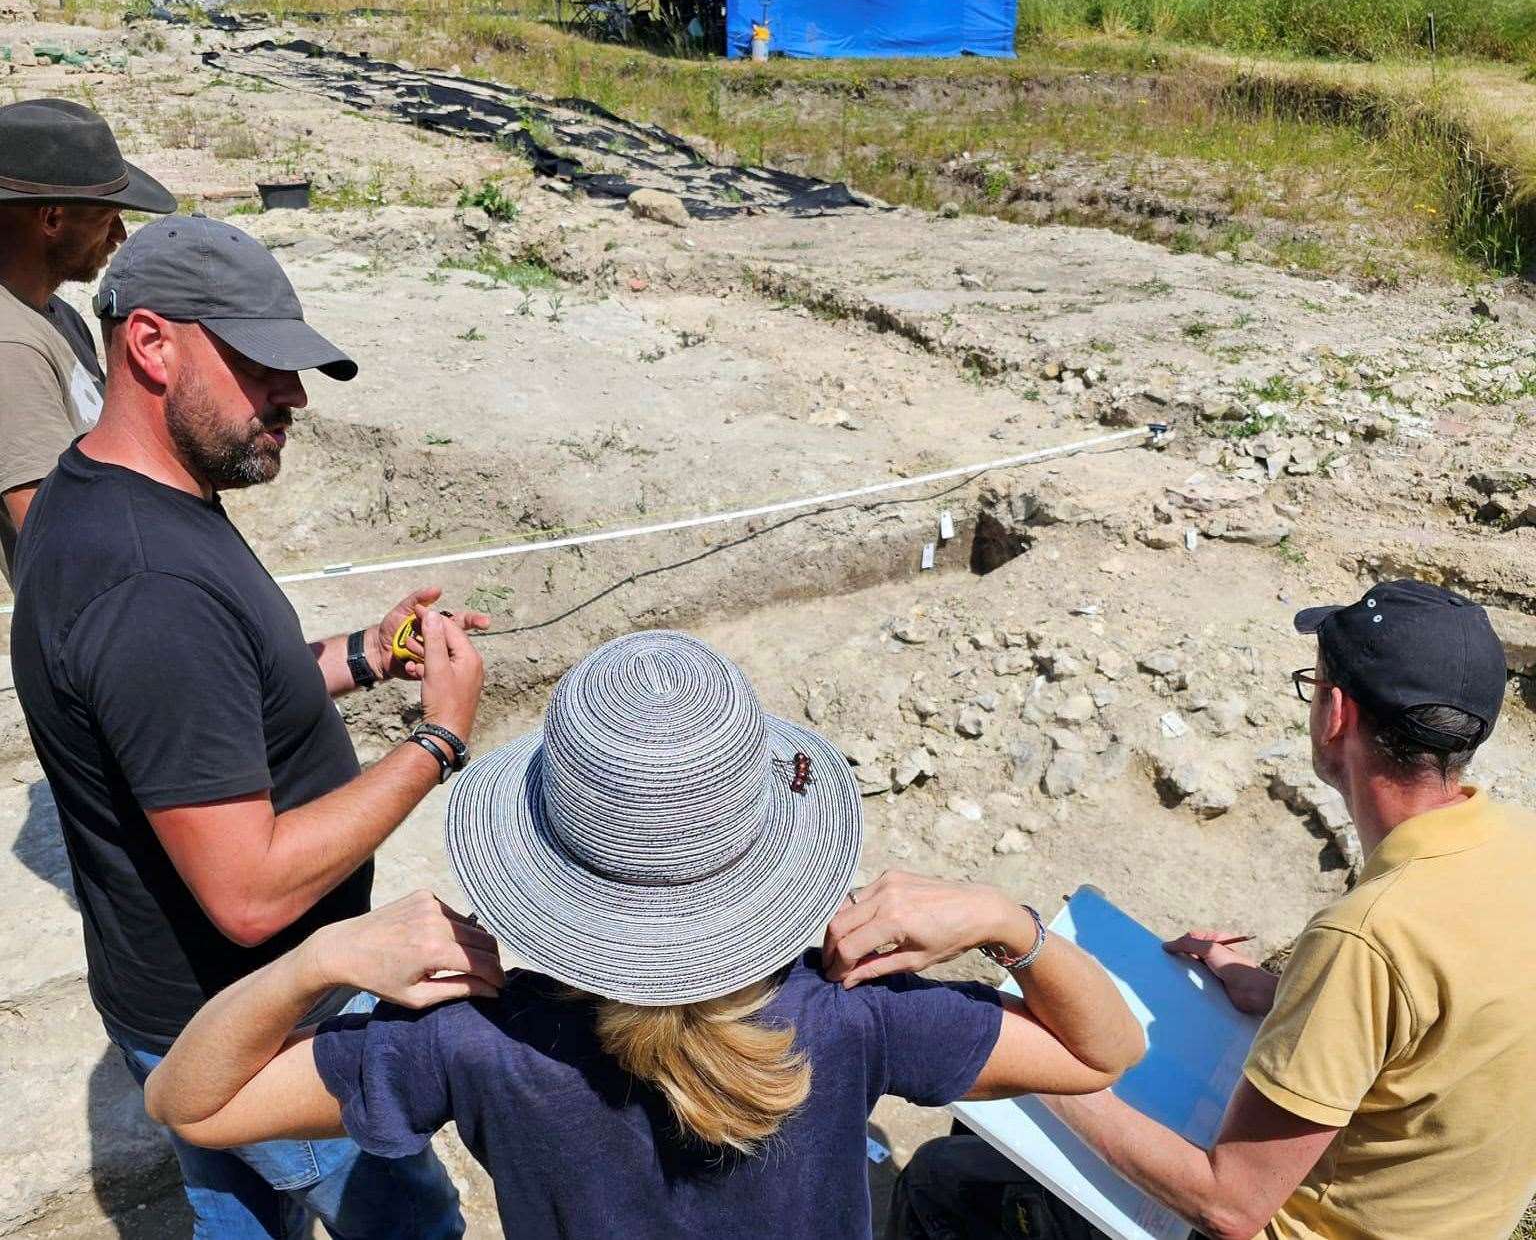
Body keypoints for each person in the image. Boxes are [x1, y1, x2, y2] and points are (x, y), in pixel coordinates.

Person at [140, 629, 1147, 1239]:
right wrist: (1004, 923)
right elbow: (1108, 1048)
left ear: (550, 855)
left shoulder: (479, 1041)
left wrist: (322, 956)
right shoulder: (851, 1016)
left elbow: (190, 1102)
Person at [9, 214, 492, 1239]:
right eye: (262, 364)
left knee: (238, 1218)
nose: (295, 396)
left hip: (184, 1009)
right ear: (152, 343)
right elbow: (248, 889)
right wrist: (436, 741)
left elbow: (223, 699)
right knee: (413, 1225)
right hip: (258, 1015)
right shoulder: (148, 585)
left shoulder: (103, 494)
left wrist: (365, 653)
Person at [888, 579, 1536, 1240]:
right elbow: (1447, 1012)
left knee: (942, 1180)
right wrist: (1285, 994)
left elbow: (1230, 1207)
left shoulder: (1371, 937)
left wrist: (1040, 1065)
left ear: (1335, 713)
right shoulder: (1521, 847)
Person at [0, 97, 176, 582]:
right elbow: (58, 540)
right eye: (106, 216)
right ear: (52, 219)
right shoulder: (10, 349)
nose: (119, 234)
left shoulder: (55, 316)